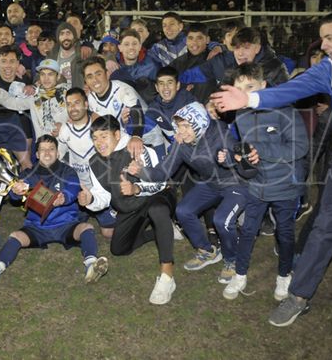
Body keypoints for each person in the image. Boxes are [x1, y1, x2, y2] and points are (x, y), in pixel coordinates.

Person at [210, 9, 332, 325]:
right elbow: (289, 90)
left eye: (329, 37)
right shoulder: (329, 70)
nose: (323, 44)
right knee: (324, 229)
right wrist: (249, 100)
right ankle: (298, 295)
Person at [128, 102, 252, 285]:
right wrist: (141, 171)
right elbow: (163, 172)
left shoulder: (221, 134)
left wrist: (232, 159)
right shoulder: (181, 143)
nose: (181, 131)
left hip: (236, 184)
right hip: (211, 183)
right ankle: (207, 251)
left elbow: (243, 162)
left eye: (186, 126)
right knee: (183, 211)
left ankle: (232, 260)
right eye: (179, 126)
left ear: (199, 123)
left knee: (221, 220)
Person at [219, 63, 308, 301]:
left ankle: (283, 276)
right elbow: (247, 150)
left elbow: (300, 147)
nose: (244, 92)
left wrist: (261, 149)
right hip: (257, 183)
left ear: (264, 86)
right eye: (239, 88)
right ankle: (240, 274)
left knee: (285, 232)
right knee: (248, 230)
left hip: (285, 184)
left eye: (250, 86)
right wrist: (236, 158)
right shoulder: (240, 113)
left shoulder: (285, 110)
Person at [0, 134, 109, 286]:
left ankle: (91, 266)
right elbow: (15, 196)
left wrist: (64, 197)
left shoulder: (68, 171)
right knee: (15, 236)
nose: (47, 153)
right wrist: (15, 191)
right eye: (43, 149)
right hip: (37, 227)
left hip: (66, 224)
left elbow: (73, 187)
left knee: (86, 227)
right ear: (36, 154)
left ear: (58, 153)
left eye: (51, 149)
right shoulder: (27, 174)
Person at [81, 115, 176, 304]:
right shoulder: (94, 162)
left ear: (117, 135)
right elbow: (104, 196)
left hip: (158, 196)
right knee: (118, 249)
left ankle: (167, 276)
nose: (99, 143)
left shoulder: (136, 148)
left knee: (157, 210)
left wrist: (136, 188)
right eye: (95, 138)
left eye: (104, 136)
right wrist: (90, 199)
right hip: (131, 207)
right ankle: (165, 231)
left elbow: (162, 182)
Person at [57, 88, 116, 239]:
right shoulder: (64, 130)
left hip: (101, 189)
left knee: (108, 233)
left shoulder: (99, 127)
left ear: (86, 104)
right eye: (69, 104)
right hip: (79, 189)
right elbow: (58, 157)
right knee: (66, 228)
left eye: (77, 103)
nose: (73, 108)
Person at [82, 56, 165, 159]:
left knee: (160, 172)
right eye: (89, 77)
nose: (95, 80)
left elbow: (136, 111)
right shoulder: (91, 99)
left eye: (98, 74)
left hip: (148, 134)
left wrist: (136, 136)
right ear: (85, 81)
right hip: (125, 140)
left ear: (107, 74)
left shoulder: (122, 89)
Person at [0, 59, 69, 139]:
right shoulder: (35, 97)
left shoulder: (69, 94)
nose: (46, 78)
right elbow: (13, 103)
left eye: (50, 74)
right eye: (43, 74)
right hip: (43, 146)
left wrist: (64, 126)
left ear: (58, 77)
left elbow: (79, 115)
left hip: (67, 146)